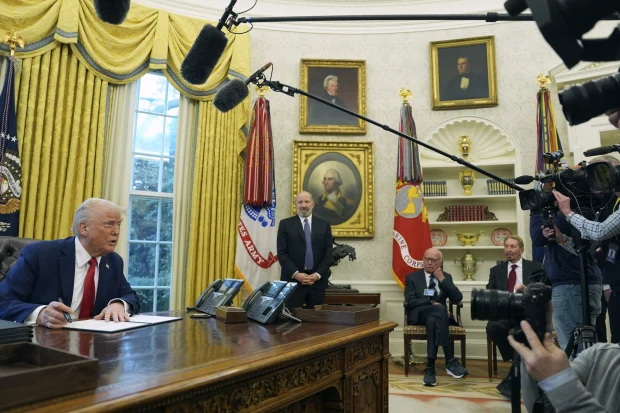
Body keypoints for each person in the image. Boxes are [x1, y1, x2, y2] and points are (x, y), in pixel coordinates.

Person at [0, 198, 140, 327]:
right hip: (44, 339)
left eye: (118, 224)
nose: (117, 231)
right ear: (84, 228)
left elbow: (130, 296)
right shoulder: (40, 254)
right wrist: (40, 314)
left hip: (95, 340)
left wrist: (119, 304)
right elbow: (3, 301)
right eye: (109, 224)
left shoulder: (113, 261)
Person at [509, 299, 620, 412]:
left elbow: (562, 394)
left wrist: (559, 381)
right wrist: (538, 336)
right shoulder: (599, 355)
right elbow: (544, 407)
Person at [530, 210, 602, 350]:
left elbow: (537, 238)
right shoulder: (584, 209)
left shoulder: (565, 212)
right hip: (587, 282)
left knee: (574, 350)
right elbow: (539, 238)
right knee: (586, 349)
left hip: (570, 285)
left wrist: (536, 210)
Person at [486, 235, 543, 397]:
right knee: (492, 326)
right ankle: (523, 359)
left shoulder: (535, 267)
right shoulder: (496, 270)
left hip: (528, 313)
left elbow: (542, 292)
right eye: (506, 246)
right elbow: (490, 293)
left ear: (521, 249)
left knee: (525, 329)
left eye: (513, 246)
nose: (508, 250)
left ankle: (514, 377)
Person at [404, 247, 469, 386]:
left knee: (433, 320)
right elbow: (410, 301)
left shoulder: (446, 277)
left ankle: (430, 368)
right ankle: (450, 360)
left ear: (440, 262)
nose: (429, 262)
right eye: (426, 259)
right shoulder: (412, 277)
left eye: (433, 260)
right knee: (439, 310)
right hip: (420, 314)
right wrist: (431, 303)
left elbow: (457, 298)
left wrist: (442, 279)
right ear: (423, 260)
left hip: (437, 318)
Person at [277, 191, 333, 309]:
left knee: (316, 319)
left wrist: (317, 275)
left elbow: (328, 254)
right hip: (293, 283)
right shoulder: (285, 224)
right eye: (300, 202)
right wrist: (296, 274)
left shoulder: (324, 224)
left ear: (313, 204)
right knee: (292, 319)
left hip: (317, 283)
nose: (303, 205)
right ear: (296, 204)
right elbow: (282, 254)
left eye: (306, 202)